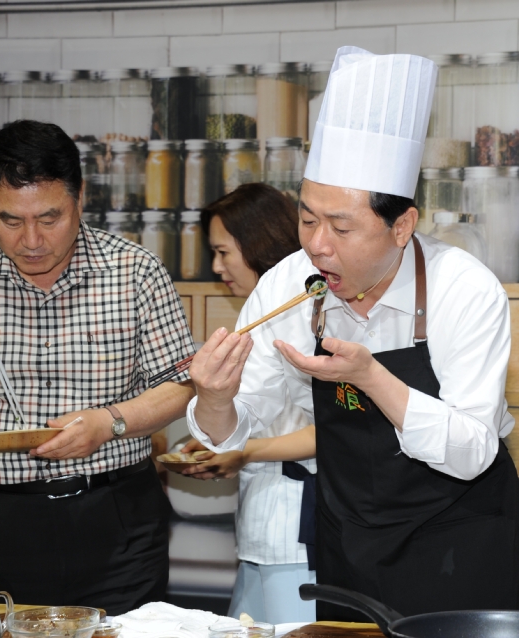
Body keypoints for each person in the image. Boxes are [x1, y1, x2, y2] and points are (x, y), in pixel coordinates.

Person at [186, 47, 519, 621]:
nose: (318, 245)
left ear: (402, 226)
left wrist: (371, 376)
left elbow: (474, 450)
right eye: (307, 218)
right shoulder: (289, 283)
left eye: (342, 226)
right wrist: (216, 399)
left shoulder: (463, 289)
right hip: (349, 543)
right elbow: (232, 431)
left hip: (461, 543)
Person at [0, 120, 196, 614]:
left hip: (116, 515)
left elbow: (180, 385)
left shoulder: (134, 271)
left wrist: (109, 421)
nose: (31, 239)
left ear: (80, 200)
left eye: (50, 217)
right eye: (10, 220)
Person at [177, 183, 318, 623]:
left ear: (256, 244)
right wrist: (216, 436)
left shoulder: (313, 311)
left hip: (302, 527)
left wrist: (242, 450)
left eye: (223, 252)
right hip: (259, 528)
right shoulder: (254, 318)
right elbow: (243, 416)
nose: (217, 267)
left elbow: (333, 430)